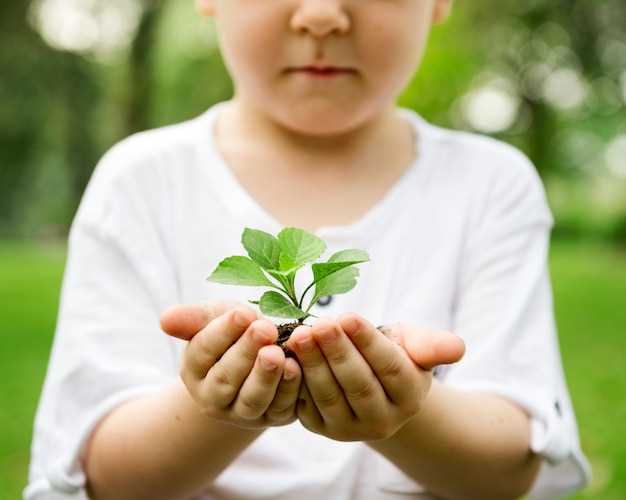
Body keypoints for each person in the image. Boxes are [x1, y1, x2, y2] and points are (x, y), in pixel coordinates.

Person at [25, 0, 591, 498]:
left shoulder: (491, 184)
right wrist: (219, 407)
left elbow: (507, 470)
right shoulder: (140, 182)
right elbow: (106, 479)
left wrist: (406, 409)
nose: (321, 13)